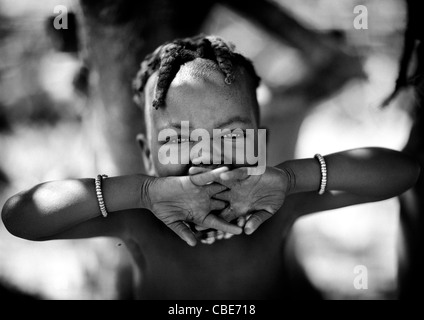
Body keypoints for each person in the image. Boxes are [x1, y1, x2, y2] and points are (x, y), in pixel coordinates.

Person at [1, 35, 420, 299]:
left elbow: (403, 172)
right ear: (148, 155)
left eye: (232, 136)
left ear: (261, 142)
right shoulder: (140, 220)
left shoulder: (278, 207)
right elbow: (21, 216)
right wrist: (142, 193)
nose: (207, 156)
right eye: (180, 140)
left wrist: (293, 178)